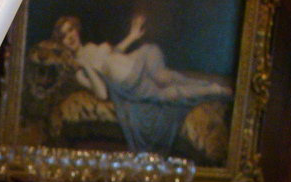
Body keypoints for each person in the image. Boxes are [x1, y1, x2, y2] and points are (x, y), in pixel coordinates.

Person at [55, 13, 232, 154]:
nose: (70, 36)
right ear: (61, 43)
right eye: (64, 36)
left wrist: (132, 36)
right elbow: (102, 93)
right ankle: (213, 90)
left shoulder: (90, 47)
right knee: (169, 94)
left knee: (164, 77)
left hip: (140, 58)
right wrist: (86, 65)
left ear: (76, 29)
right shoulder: (80, 72)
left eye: (71, 30)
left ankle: (206, 84)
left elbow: (113, 55)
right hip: (132, 84)